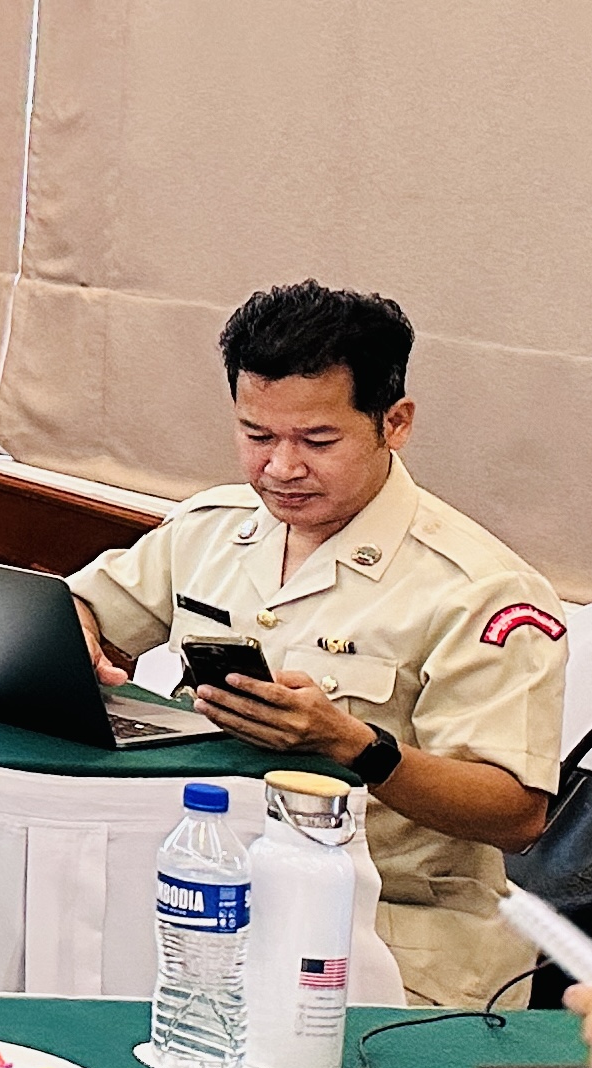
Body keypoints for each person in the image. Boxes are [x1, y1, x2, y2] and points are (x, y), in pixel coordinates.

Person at [70, 282, 568, 1007]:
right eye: (257, 436)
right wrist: (79, 637)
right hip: (203, 891)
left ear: (394, 423)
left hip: (389, 933)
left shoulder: (479, 588)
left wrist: (353, 746)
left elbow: (515, 815)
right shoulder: (212, 527)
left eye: (317, 441)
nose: (281, 468)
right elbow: (85, 606)